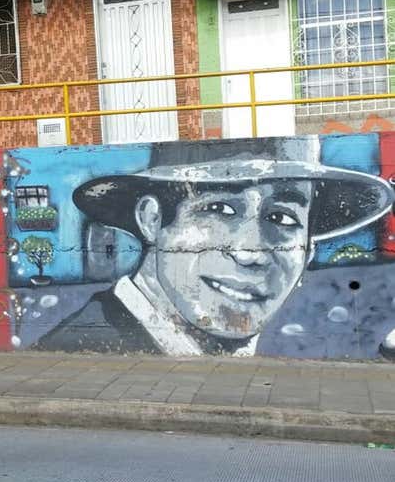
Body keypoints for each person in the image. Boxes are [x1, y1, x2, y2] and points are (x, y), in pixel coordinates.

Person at [35, 137, 394, 356]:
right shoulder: (82, 342)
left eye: (283, 219)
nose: (251, 252)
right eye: (219, 209)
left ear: (307, 251)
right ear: (152, 219)